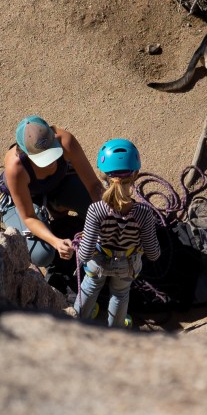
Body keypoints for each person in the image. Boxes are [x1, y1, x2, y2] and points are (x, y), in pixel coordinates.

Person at [0, 115, 105, 291]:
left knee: (99, 208)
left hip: (59, 183)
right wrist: (55, 241)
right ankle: (51, 216)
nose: (51, 163)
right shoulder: (15, 167)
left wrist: (109, 216)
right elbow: (29, 217)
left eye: (52, 154)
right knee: (42, 254)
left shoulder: (65, 140)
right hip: (23, 200)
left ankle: (57, 209)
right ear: (26, 154)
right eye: (43, 159)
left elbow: (94, 185)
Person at [73, 138, 160, 327]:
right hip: (127, 264)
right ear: (136, 174)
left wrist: (81, 246)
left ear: (103, 175)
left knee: (89, 290)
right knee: (120, 294)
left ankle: (78, 323)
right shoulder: (144, 213)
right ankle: (116, 329)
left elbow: (85, 253)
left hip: (98, 261)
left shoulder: (96, 210)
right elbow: (153, 253)